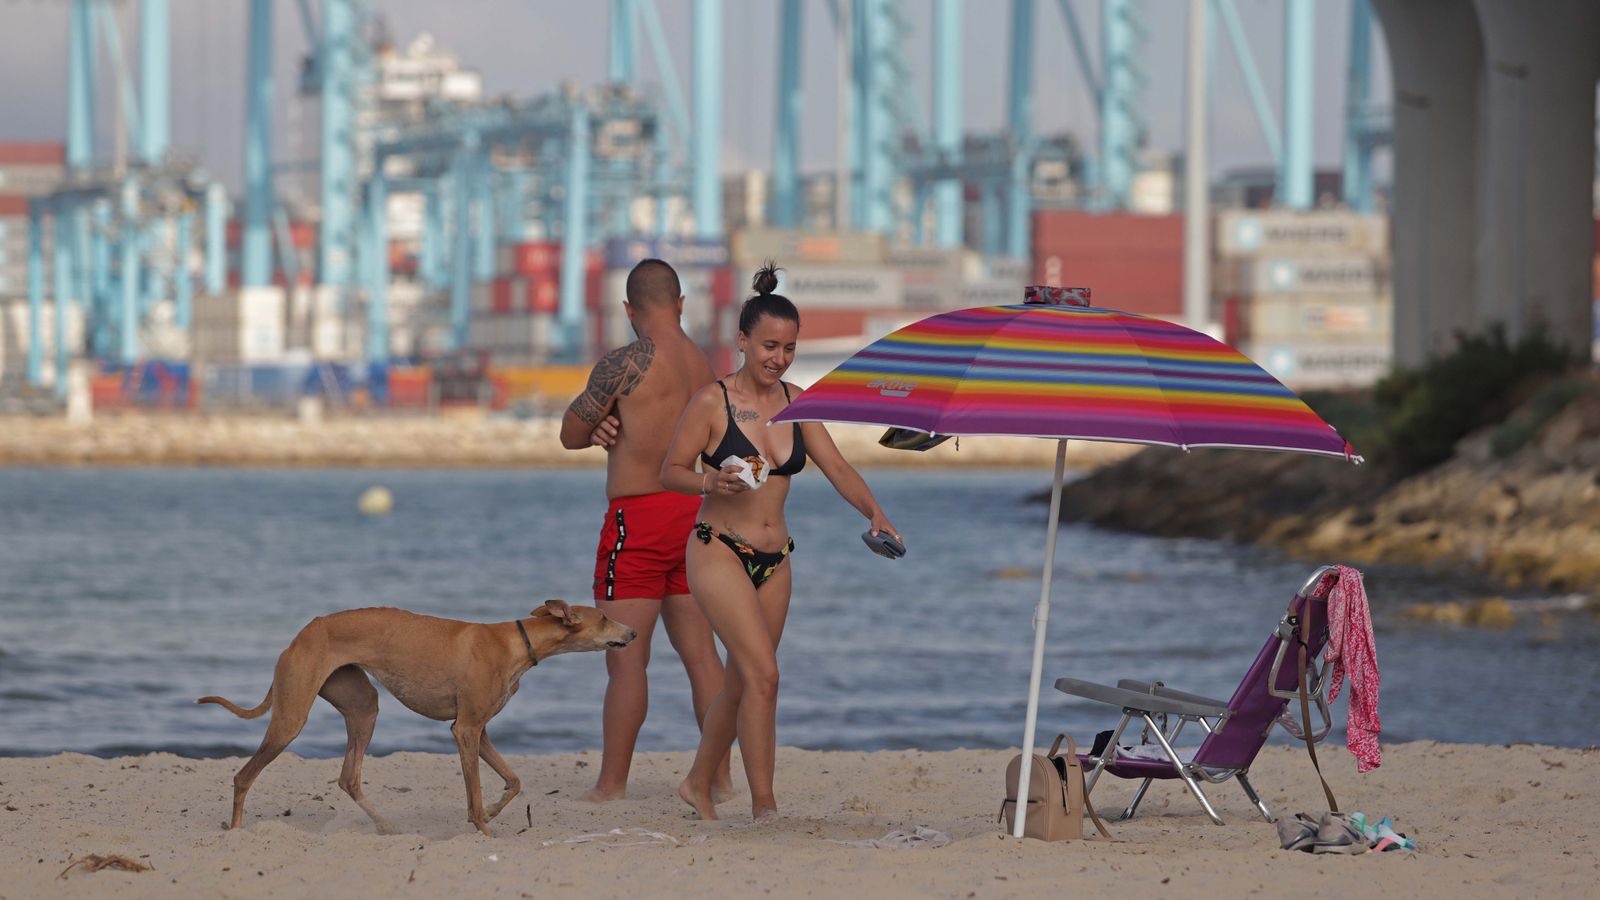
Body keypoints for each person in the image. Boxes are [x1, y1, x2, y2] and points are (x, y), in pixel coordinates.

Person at [660, 262, 902, 822]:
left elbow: (837, 467)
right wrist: (709, 479)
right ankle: (763, 805)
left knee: (748, 678)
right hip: (717, 546)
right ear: (742, 341)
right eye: (769, 346)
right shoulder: (711, 402)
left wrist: (876, 513)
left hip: (777, 558)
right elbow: (669, 470)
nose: (779, 358)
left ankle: (700, 783)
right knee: (764, 674)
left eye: (789, 348)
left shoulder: (800, 401)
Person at [560, 257, 732, 802]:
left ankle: (611, 786)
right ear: (681, 304)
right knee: (703, 656)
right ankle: (721, 779)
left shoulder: (623, 364)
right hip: (698, 517)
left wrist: (597, 424)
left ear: (629, 310)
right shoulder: (704, 366)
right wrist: (609, 423)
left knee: (626, 661)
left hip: (639, 521)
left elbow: (569, 433)